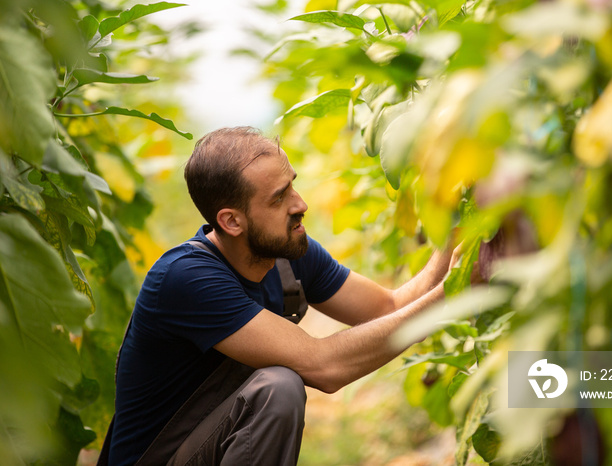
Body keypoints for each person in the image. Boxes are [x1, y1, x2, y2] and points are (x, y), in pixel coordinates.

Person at [103, 126, 457, 465]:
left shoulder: (288, 250)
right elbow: (324, 365)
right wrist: (457, 292)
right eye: (279, 198)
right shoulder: (186, 277)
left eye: (293, 186)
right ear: (231, 222)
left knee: (277, 385)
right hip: (162, 458)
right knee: (278, 388)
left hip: (213, 443)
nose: (300, 204)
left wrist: (460, 238)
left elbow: (389, 306)